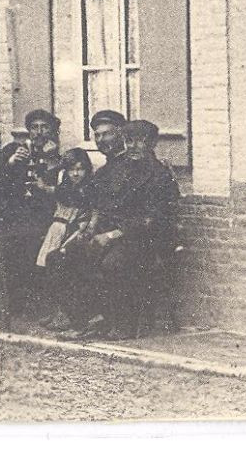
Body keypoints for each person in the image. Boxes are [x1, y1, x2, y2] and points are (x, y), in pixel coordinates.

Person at [59, 119, 180, 339]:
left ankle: (124, 325)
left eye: (140, 142)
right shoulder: (123, 171)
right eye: (129, 141)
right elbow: (107, 205)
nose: (133, 147)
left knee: (112, 263)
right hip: (121, 236)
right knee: (75, 252)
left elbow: (151, 220)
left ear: (152, 143)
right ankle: (88, 320)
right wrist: (91, 229)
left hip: (150, 241)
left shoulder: (160, 176)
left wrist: (111, 235)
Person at [35, 148, 95, 330]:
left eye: (80, 169)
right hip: (57, 228)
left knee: (61, 268)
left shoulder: (87, 190)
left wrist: (74, 237)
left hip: (74, 231)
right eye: (71, 169)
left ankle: (66, 313)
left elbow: (85, 219)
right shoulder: (65, 187)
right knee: (48, 270)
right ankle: (56, 310)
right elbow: (55, 194)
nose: (76, 173)